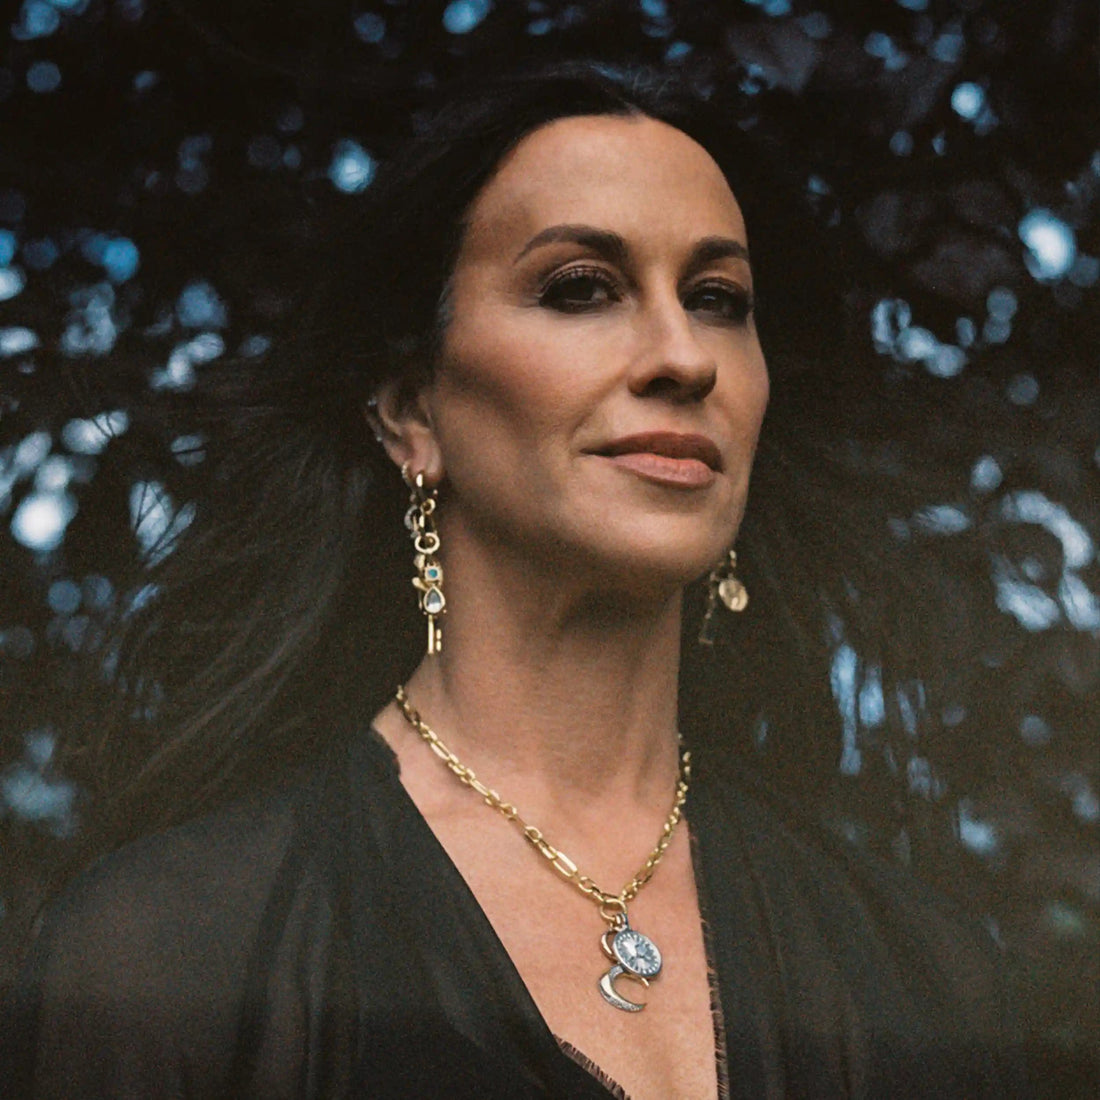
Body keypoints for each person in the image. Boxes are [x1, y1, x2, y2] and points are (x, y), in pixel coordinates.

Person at [2, 62, 1038, 1098]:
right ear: (411, 408)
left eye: (718, 298)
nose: (683, 356)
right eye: (581, 287)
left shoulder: (924, 971)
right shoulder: (177, 951)